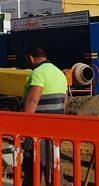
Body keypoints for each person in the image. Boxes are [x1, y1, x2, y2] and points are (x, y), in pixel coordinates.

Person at [22, 46, 67, 185]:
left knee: (33, 162)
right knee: (53, 161)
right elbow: (64, 101)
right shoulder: (59, 73)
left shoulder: (37, 73)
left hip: (38, 127)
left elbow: (33, 99)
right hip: (56, 125)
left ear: (30, 58)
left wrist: (24, 125)